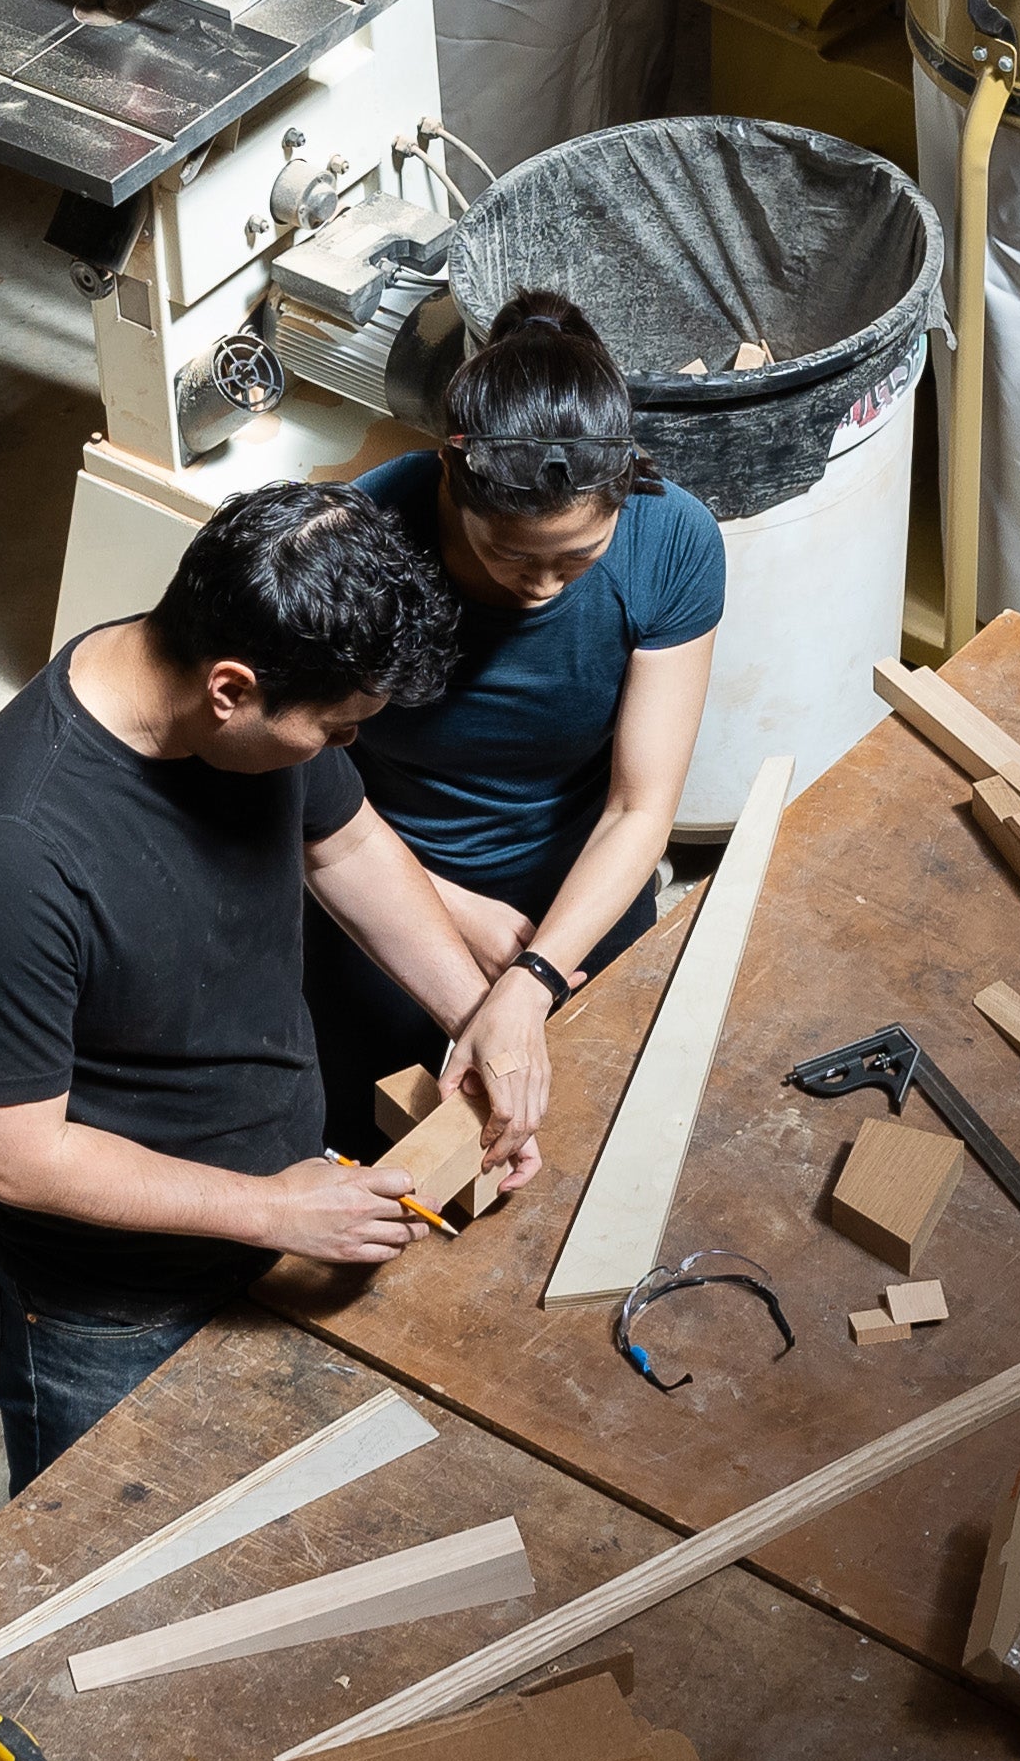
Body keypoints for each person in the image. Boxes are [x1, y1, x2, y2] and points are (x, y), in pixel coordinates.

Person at [0, 483, 557, 1486]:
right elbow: (17, 1157)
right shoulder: (8, 850)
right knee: (96, 1575)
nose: (341, 750)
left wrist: (472, 1020)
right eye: (336, 730)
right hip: (114, 1303)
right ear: (230, 688)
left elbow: (344, 848)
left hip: (280, 1200)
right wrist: (272, 1210)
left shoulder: (233, 697)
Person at [304, 290, 727, 1155]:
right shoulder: (362, 540)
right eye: (509, 554)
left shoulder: (674, 539)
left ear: (624, 487)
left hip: (580, 896)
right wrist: (455, 913)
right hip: (385, 885)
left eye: (578, 556)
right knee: (386, 1148)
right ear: (450, 480)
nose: (541, 585)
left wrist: (533, 977)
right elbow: (298, 798)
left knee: (593, 1139)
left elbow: (638, 810)